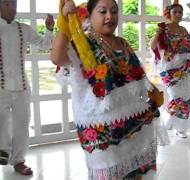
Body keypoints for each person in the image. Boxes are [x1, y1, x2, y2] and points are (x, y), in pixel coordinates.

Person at [51, 0, 167, 179]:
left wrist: (153, 91)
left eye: (114, 11)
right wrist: (64, 23)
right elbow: (57, 57)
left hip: (133, 123)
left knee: (135, 171)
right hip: (101, 129)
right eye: (102, 11)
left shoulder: (123, 43)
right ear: (90, 15)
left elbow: (137, 74)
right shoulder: (81, 44)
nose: (109, 16)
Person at [0, 0, 54, 175]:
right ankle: (3, 152)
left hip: (22, 87)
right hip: (0, 88)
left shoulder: (23, 29)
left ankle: (18, 160)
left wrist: (49, 29)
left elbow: (45, 44)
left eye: (14, 4)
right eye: (7, 4)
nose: (12, 8)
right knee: (1, 122)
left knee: (22, 124)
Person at [150, 1, 190, 138]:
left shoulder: (183, 30)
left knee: (185, 97)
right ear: (169, 14)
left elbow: (188, 48)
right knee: (176, 96)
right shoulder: (164, 28)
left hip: (185, 67)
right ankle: (168, 123)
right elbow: (153, 46)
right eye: (175, 12)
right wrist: (157, 34)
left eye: (180, 12)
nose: (178, 14)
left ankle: (180, 128)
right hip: (170, 67)